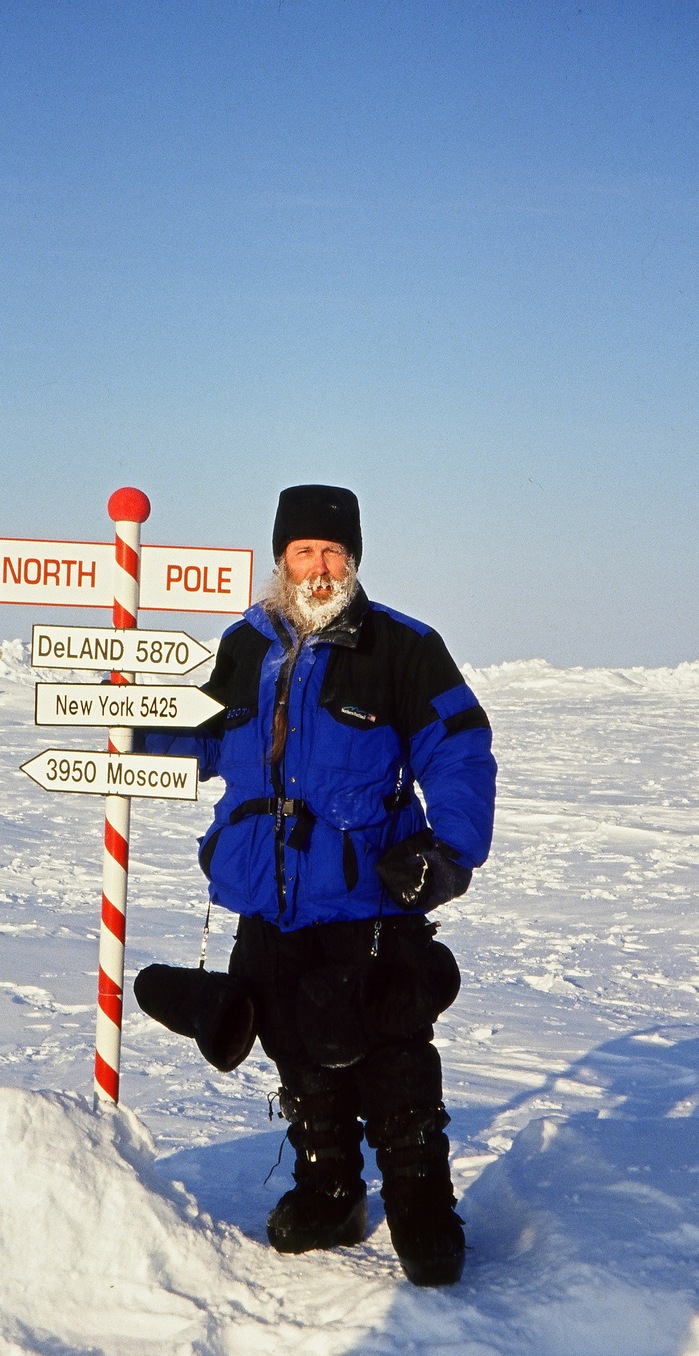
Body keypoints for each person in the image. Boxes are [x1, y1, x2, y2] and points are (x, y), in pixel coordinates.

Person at [136, 485, 496, 1286]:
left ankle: (423, 1212)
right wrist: (125, 727)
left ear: (355, 560)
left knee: (393, 1055)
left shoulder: (402, 646)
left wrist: (450, 852)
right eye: (306, 551)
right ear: (281, 559)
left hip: (370, 897)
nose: (321, 567)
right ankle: (329, 1191)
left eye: (335, 553)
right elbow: (196, 737)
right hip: (267, 895)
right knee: (295, 1050)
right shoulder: (241, 647)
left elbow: (461, 746)